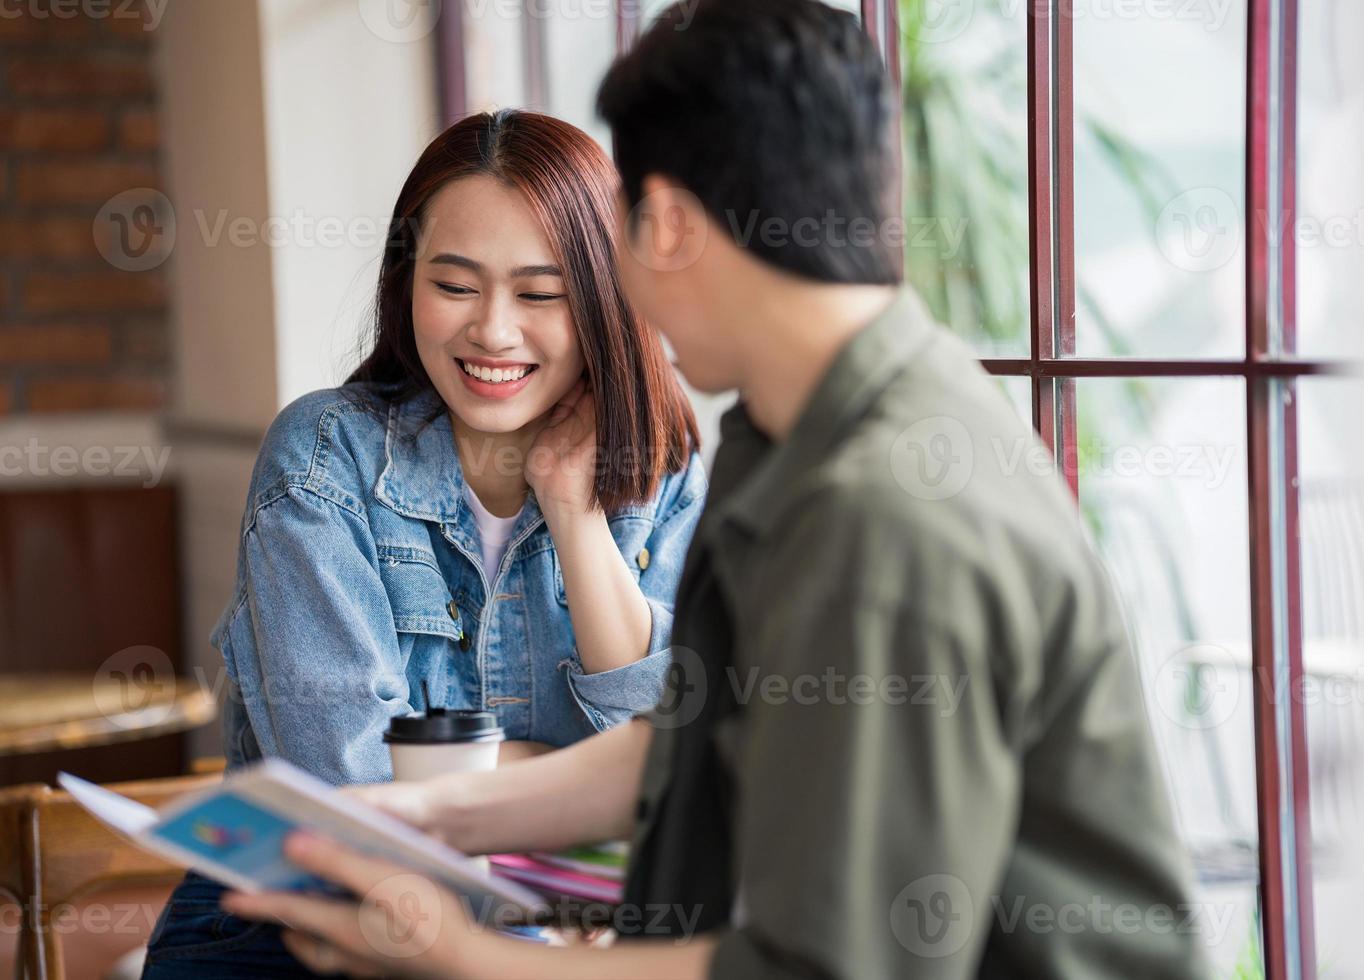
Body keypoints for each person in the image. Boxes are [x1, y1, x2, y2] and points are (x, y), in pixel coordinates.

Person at [220, 1, 1210, 977]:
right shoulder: (798, 432)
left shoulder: (879, 513)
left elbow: (827, 966)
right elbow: (684, 737)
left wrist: (470, 958)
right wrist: (430, 810)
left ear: (674, 227)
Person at [141, 109, 704, 978]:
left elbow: (670, 785)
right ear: (408, 284)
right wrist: (560, 824)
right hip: (293, 939)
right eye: (455, 285)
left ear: (602, 300)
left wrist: (575, 514)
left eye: (541, 292)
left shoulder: (664, 479)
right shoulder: (325, 459)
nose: (493, 331)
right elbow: (348, 807)